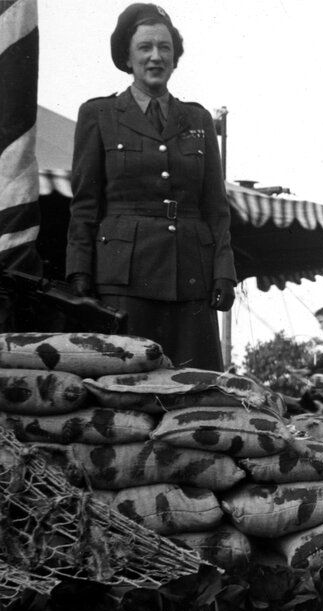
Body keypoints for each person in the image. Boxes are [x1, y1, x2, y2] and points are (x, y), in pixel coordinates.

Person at [64, 3, 235, 371]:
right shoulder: (99, 115)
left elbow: (216, 208)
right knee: (125, 385)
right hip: (123, 280)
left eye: (164, 48)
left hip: (190, 278)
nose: (156, 57)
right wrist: (79, 271)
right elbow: (85, 204)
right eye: (145, 47)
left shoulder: (198, 119)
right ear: (127, 57)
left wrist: (224, 271)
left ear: (175, 58)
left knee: (197, 386)